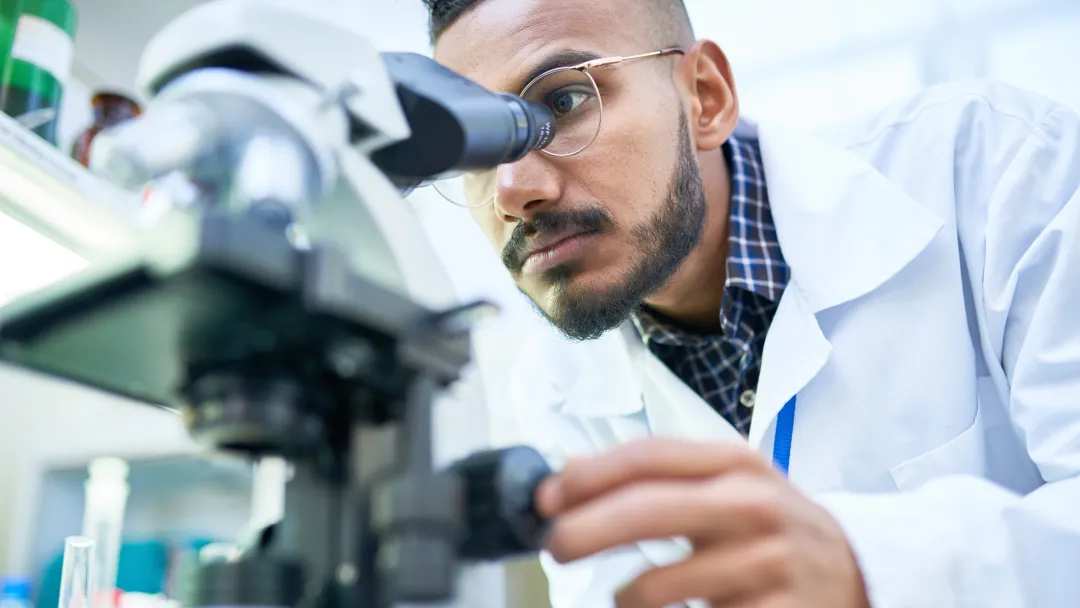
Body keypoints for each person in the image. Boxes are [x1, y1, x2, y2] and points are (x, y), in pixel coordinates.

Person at [423, 1, 1080, 606]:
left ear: (705, 97)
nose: (512, 192)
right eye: (476, 148)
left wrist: (873, 566)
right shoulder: (554, 390)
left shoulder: (997, 169)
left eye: (562, 101)